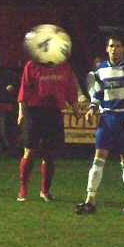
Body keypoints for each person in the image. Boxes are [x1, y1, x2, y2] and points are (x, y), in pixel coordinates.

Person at [76, 36, 124, 215]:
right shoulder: (101, 70)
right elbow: (97, 94)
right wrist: (92, 108)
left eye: (117, 46)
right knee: (98, 159)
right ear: (106, 49)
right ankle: (90, 200)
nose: (114, 49)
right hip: (107, 118)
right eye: (111, 46)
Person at [16, 56, 80, 202]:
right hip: (34, 111)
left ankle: (45, 191)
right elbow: (24, 88)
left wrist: (75, 108)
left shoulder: (64, 67)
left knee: (50, 154)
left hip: (54, 112)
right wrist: (21, 111)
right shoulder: (32, 65)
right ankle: (23, 188)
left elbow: (70, 88)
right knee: (30, 150)